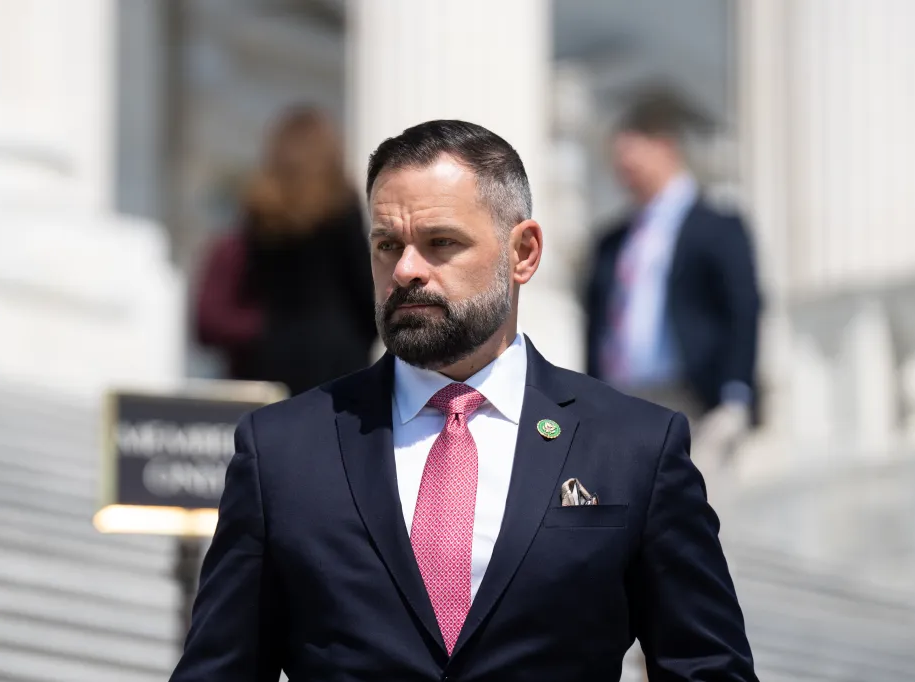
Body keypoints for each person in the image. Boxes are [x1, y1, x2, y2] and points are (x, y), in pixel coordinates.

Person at [170, 120, 758, 682]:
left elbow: (707, 667)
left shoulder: (634, 448)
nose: (405, 270)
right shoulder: (282, 451)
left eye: (440, 243)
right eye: (386, 244)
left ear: (523, 252)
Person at [585, 88, 763, 469]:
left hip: (693, 403)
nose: (624, 170)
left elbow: (743, 308)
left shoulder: (717, 227)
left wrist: (736, 394)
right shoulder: (612, 242)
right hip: (622, 403)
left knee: (694, 521)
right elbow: (596, 323)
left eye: (632, 156)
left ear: (665, 147)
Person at [194, 106, 376, 395]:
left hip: (271, 351)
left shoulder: (260, 208)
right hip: (336, 354)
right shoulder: (341, 205)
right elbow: (363, 286)